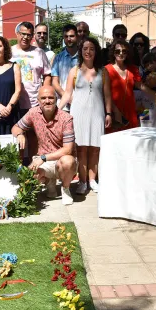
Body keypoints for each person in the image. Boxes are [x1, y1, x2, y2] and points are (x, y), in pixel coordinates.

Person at [58, 37, 113, 194]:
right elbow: (67, 93)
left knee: (95, 148)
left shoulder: (103, 72)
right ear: (81, 51)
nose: (88, 52)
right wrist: (58, 110)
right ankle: (82, 181)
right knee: (81, 148)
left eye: (92, 49)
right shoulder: (74, 71)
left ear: (96, 51)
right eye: (85, 49)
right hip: (78, 113)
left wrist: (109, 113)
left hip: (97, 113)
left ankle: (92, 180)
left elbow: (107, 95)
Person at [12, 85, 77, 206]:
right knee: (28, 176)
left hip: (60, 161)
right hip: (44, 161)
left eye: (51, 97)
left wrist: (43, 158)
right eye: (43, 98)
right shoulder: (33, 113)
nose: (47, 101)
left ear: (56, 99)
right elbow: (15, 127)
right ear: (38, 101)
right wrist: (20, 134)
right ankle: (49, 184)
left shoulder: (66, 118)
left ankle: (65, 188)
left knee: (68, 161)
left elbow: (68, 150)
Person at [12, 21, 52, 113]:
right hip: (14, 102)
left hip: (34, 103)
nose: (25, 37)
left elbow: (47, 75)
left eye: (29, 35)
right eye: (23, 34)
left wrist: (44, 95)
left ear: (32, 36)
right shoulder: (9, 52)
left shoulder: (39, 53)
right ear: (18, 34)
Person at [105, 39, 139, 132]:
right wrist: (116, 111)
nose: (121, 53)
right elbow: (105, 94)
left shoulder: (133, 69)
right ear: (113, 53)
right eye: (117, 51)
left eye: (124, 51)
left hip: (130, 115)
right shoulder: (106, 70)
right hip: (114, 115)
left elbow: (141, 86)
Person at [51, 24, 79, 109]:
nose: (69, 39)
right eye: (66, 36)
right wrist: (67, 97)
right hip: (62, 105)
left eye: (71, 36)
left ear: (77, 36)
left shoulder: (84, 57)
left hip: (81, 104)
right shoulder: (58, 58)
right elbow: (54, 82)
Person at [138, 52, 156, 127]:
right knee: (145, 123)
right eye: (146, 66)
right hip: (146, 102)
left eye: (151, 63)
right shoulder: (145, 74)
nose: (149, 67)